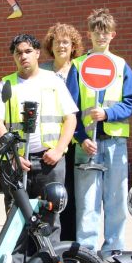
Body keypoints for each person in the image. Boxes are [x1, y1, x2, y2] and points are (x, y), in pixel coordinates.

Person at [0, 33, 78, 263]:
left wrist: (59, 150)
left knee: (51, 214)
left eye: (28, 51)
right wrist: (13, 154)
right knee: (15, 213)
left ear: (38, 53)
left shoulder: (53, 81)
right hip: (18, 162)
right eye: (18, 53)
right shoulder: (6, 84)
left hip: (50, 160)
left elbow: (70, 118)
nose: (23, 56)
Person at [69, 8, 132, 256]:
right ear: (89, 34)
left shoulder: (121, 65)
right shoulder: (78, 65)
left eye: (105, 32)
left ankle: (114, 247)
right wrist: (81, 138)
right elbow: (71, 108)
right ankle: (86, 251)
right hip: (87, 144)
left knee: (116, 198)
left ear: (113, 35)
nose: (101, 37)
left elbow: (130, 101)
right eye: (96, 32)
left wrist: (108, 113)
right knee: (88, 201)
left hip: (115, 142)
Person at [40, 23, 83, 241]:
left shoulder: (80, 70)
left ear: (73, 46)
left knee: (72, 193)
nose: (61, 46)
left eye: (66, 42)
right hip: (51, 141)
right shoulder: (43, 70)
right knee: (53, 193)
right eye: (57, 42)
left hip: (76, 140)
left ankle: (69, 241)